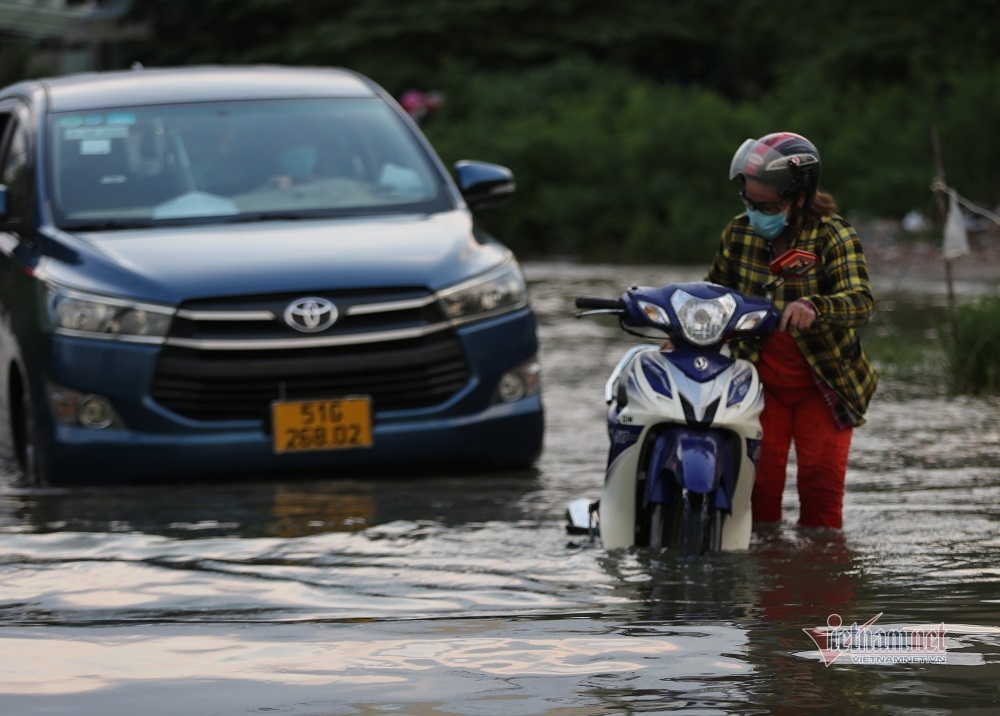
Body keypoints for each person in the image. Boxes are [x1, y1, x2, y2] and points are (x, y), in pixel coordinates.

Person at [706, 131, 878, 530]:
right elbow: (714, 295)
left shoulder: (834, 235)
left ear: (799, 199)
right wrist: (682, 333)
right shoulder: (738, 234)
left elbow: (861, 302)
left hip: (825, 383)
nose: (754, 213)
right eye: (749, 203)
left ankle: (821, 584)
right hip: (759, 383)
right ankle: (766, 583)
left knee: (820, 490)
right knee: (758, 490)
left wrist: (815, 307)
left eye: (766, 206)